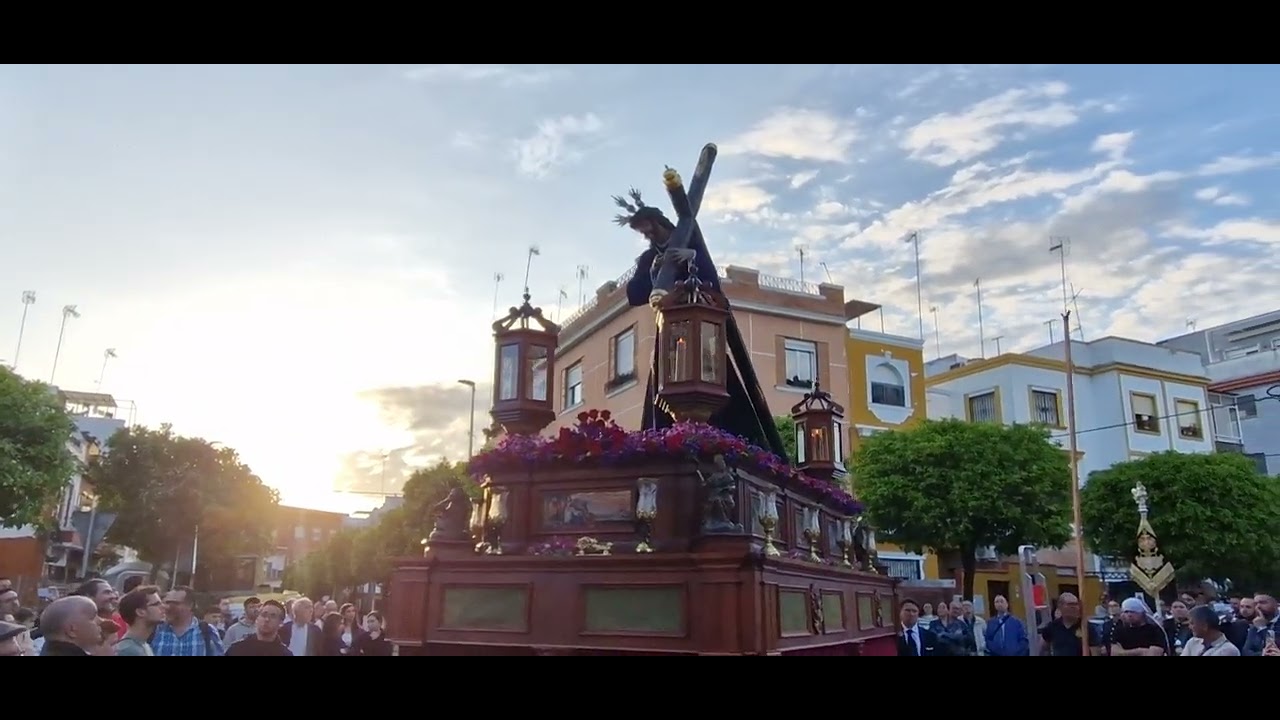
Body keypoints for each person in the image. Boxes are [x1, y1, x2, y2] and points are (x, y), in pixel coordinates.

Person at [151, 585, 224, 656]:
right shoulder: (155, 631)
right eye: (166, 603)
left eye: (174, 603)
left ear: (190, 605)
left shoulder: (207, 631)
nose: (168, 607)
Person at [225, 600, 293, 656]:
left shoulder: (284, 654)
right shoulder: (237, 649)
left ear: (281, 623)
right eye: (264, 615)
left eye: (273, 616)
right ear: (257, 619)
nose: (267, 619)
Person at [116, 585, 164, 656]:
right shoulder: (127, 650)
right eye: (156, 604)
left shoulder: (144, 645)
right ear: (140, 612)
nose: (163, 607)